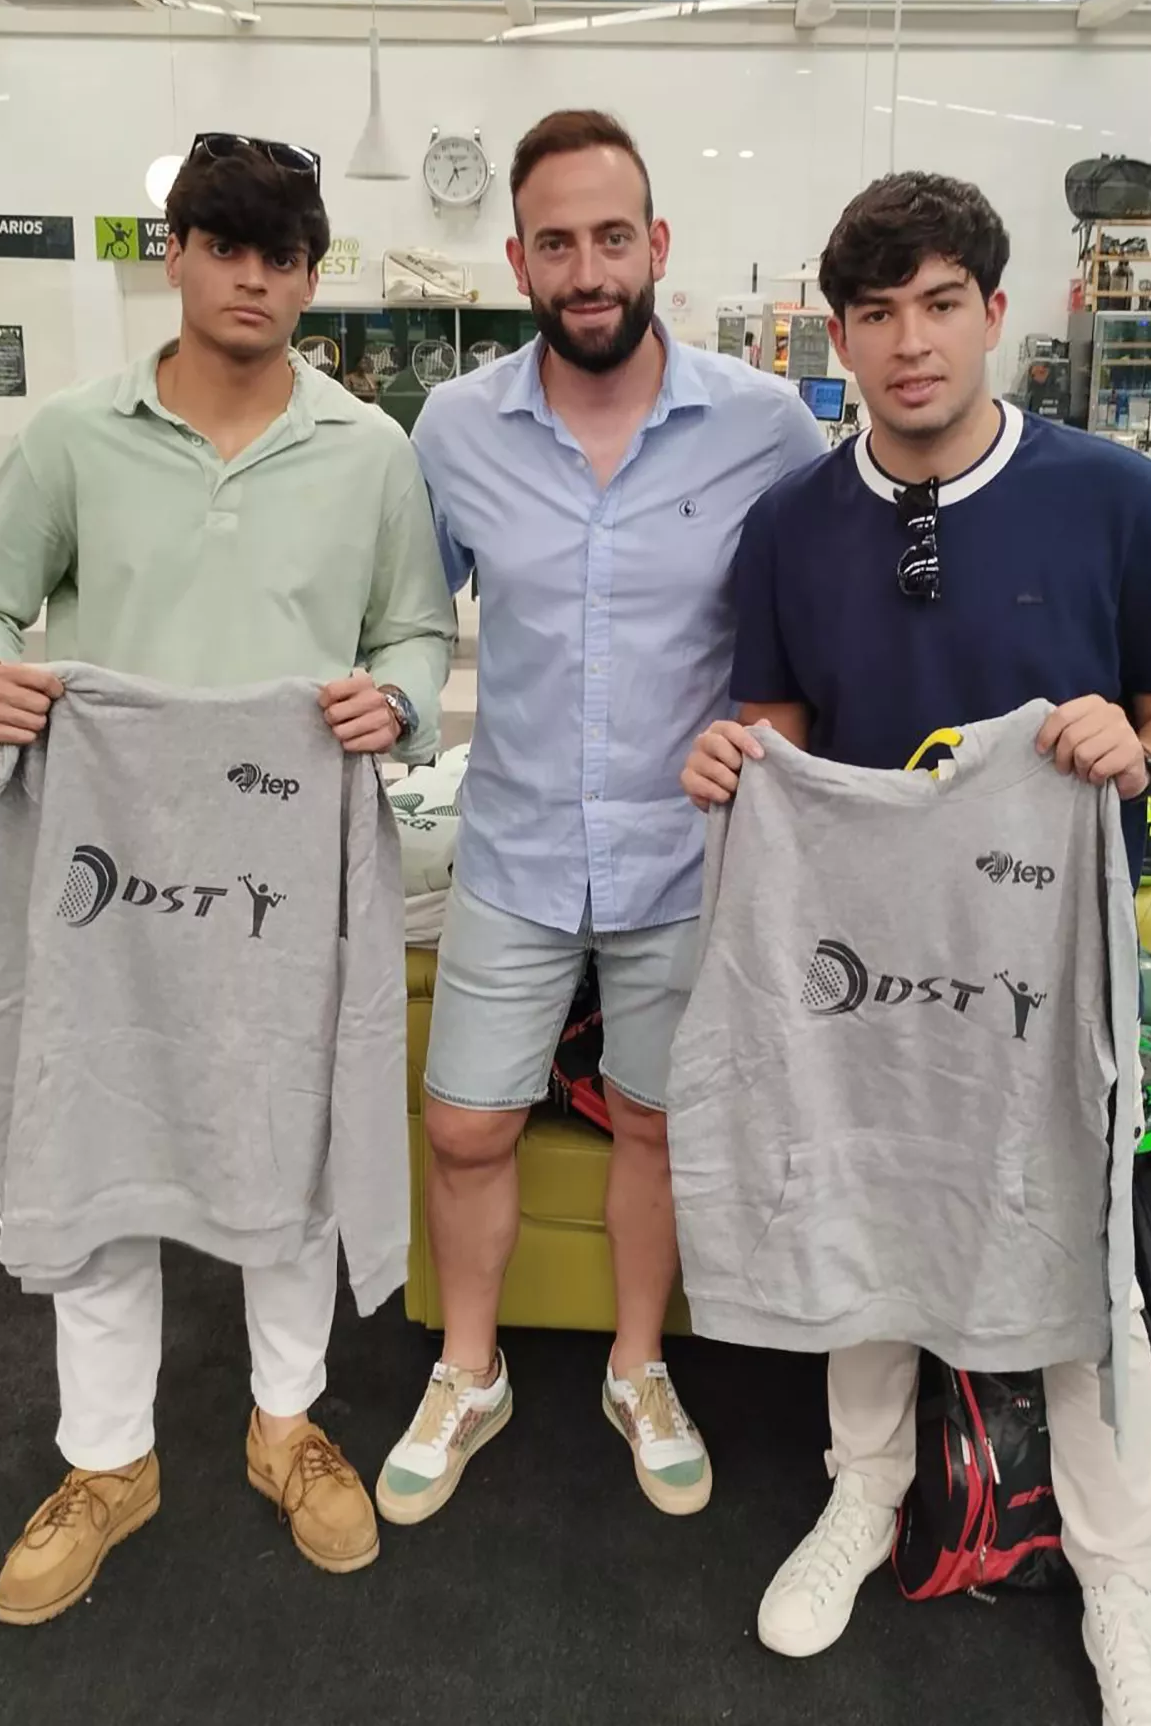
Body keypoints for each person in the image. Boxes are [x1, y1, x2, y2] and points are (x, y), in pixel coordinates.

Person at [681, 171, 1151, 1725]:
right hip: (861, 960)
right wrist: (735, 756)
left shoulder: (1109, 496)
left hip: (1057, 960)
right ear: (836, 334)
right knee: (867, 1210)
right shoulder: (789, 524)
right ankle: (866, 1494)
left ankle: (1119, 1573)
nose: (909, 344)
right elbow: (779, 722)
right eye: (874, 314)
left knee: (1079, 1243)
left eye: (939, 306)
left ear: (997, 312)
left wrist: (1145, 751)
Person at [0, 132, 455, 1624]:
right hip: (108, 874)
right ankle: (108, 1462)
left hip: (284, 878)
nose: (252, 278)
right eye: (224, 245)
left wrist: (395, 704)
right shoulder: (76, 437)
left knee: (284, 1143)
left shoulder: (367, 451)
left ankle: (288, 1425)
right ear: (176, 253)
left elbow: (417, 635)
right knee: (97, 1136)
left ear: (312, 274)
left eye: (281, 255)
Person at [379, 109, 826, 1525]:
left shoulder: (762, 427)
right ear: (518, 258)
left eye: (612, 236)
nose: (588, 268)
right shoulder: (453, 428)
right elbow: (402, 614)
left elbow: (814, 633)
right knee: (463, 1129)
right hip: (509, 846)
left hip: (683, 861)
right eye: (558, 241)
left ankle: (638, 1365)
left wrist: (779, 738)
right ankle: (471, 1369)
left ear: (659, 248)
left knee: (655, 1125)